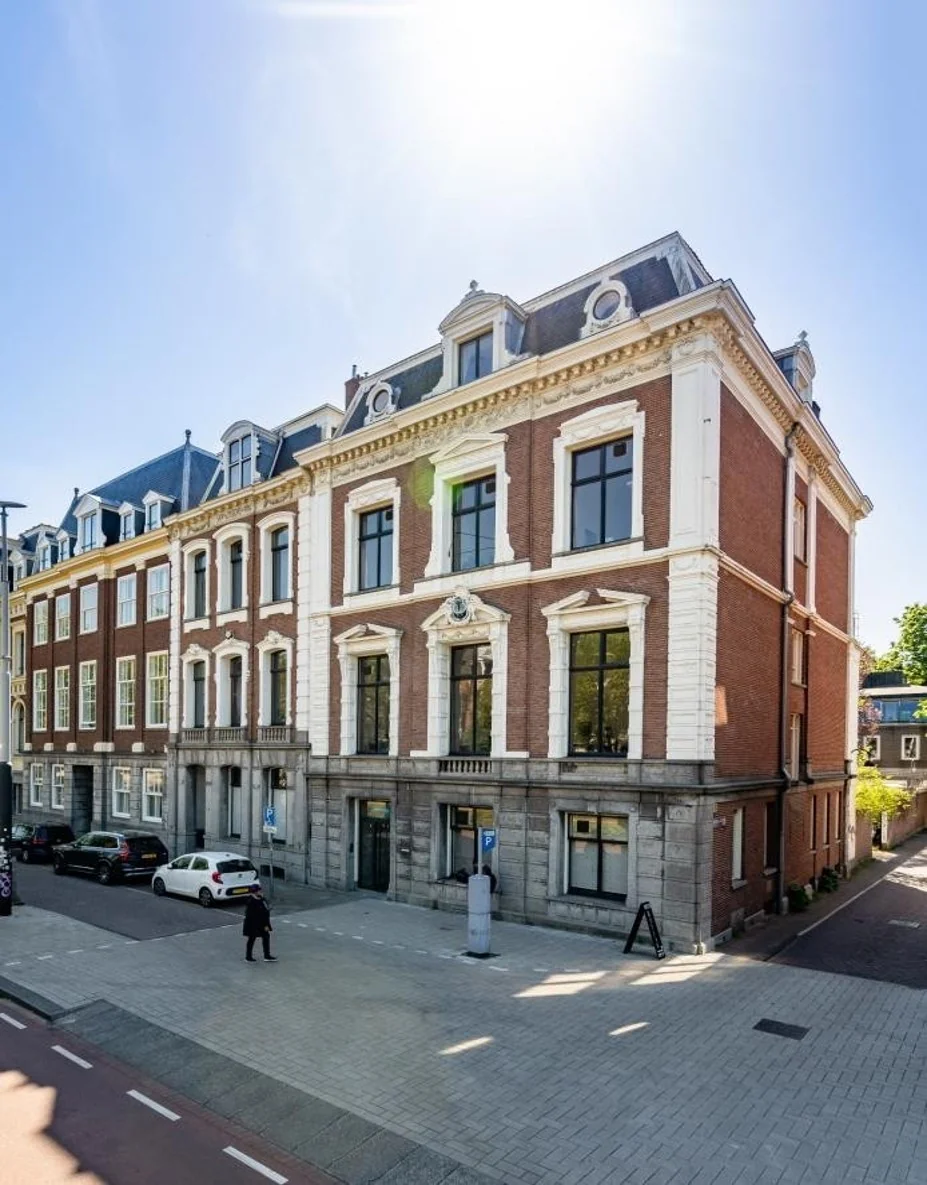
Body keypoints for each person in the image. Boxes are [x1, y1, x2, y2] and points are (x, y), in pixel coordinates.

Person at [243, 884, 276, 962]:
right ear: (255, 892)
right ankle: (248, 957)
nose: (260, 892)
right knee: (252, 939)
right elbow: (255, 914)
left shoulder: (260, 899)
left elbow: (264, 910)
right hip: (252, 924)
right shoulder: (250, 901)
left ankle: (267, 956)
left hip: (262, 922)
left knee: (266, 937)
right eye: (259, 890)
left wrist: (264, 900)